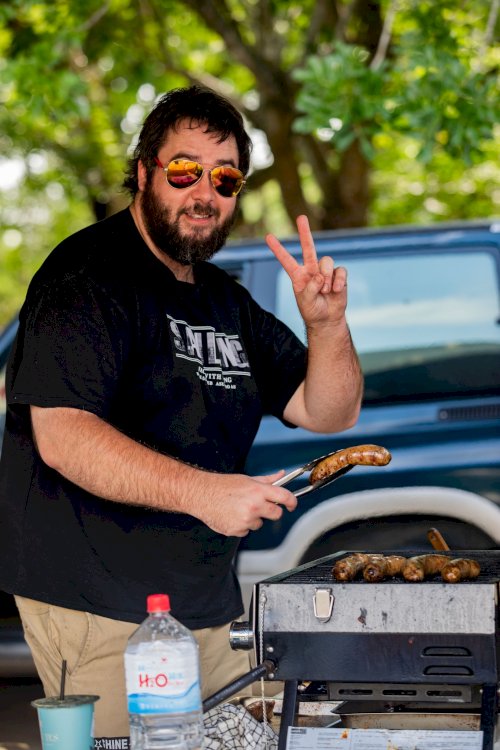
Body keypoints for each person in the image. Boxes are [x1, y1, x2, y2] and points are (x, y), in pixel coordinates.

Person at [0, 85, 363, 746]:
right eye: (185, 170)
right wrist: (207, 494)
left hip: (205, 604)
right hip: (101, 606)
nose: (204, 192)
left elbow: (329, 410)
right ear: (144, 173)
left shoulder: (224, 299)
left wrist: (327, 325)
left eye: (224, 178)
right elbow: (64, 437)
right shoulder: (86, 277)